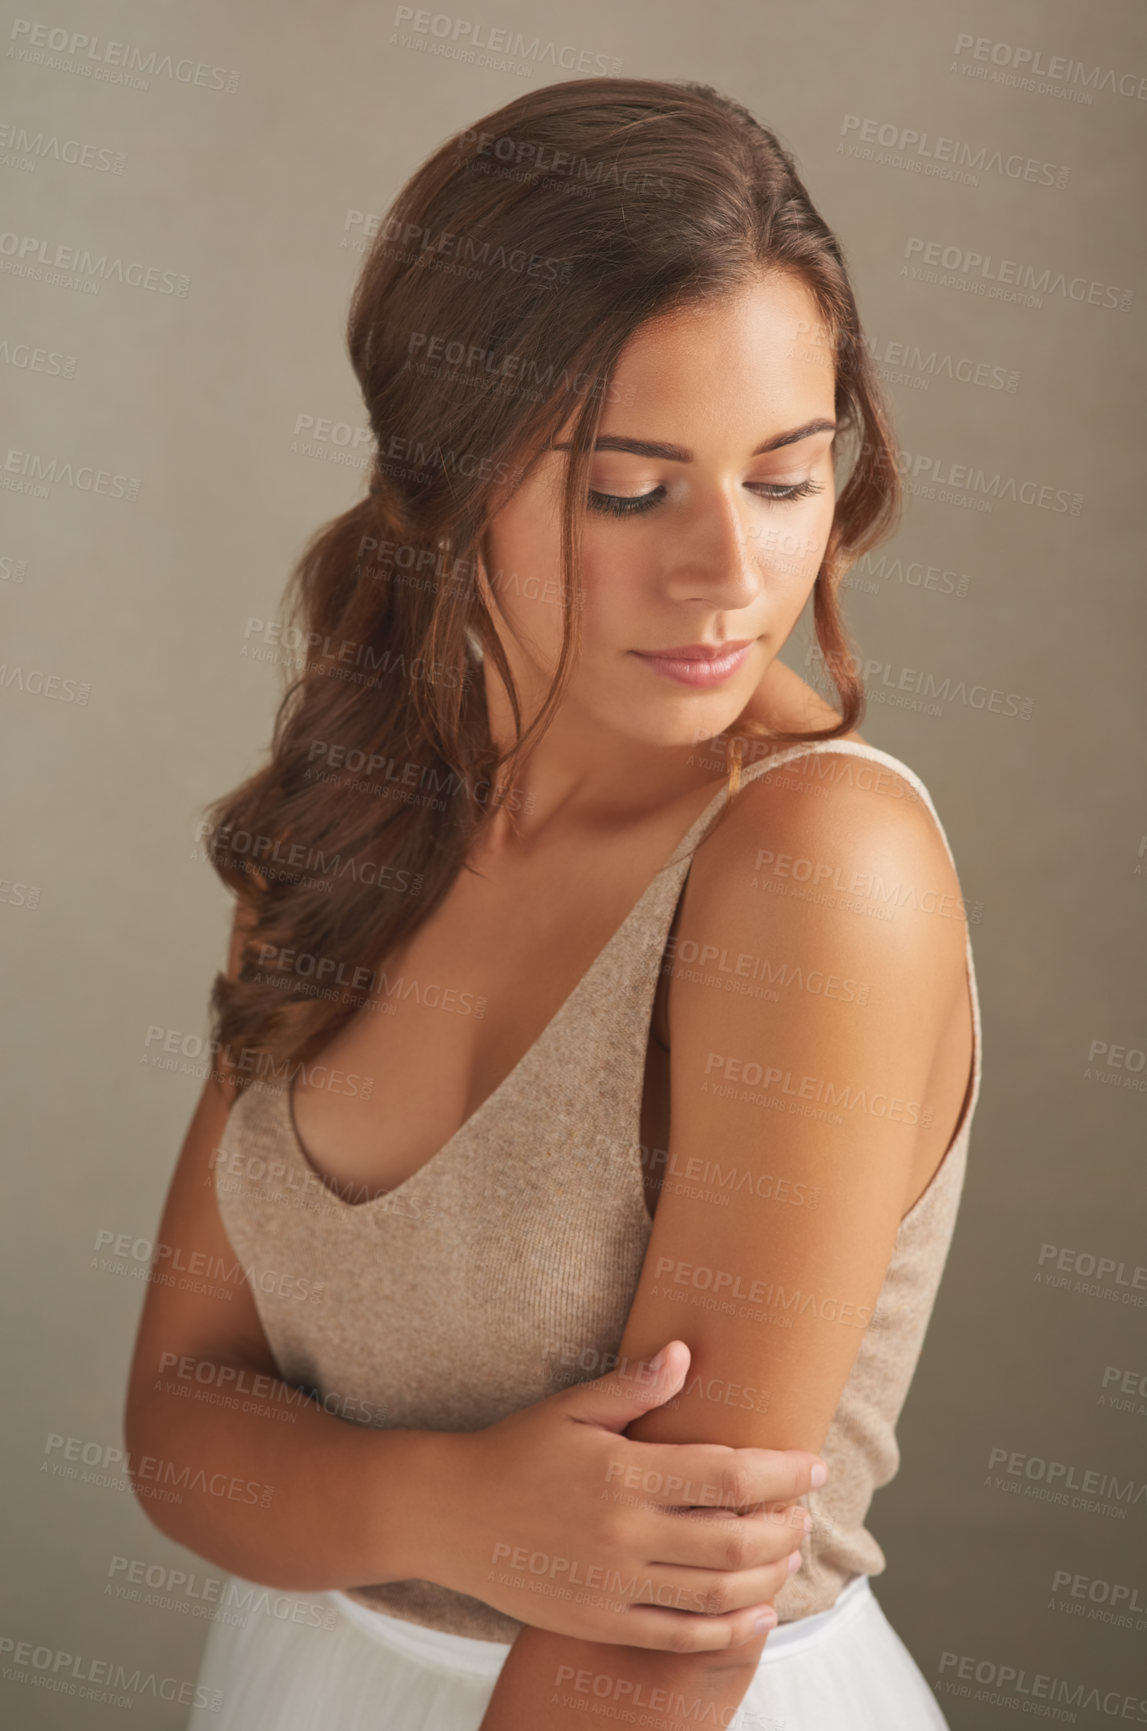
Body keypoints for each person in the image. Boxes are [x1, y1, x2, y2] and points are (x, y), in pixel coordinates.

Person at [124, 76, 981, 1729]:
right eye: (628, 489)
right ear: (441, 475)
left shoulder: (818, 876)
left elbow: (659, 1630)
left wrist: (362, 1496)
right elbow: (176, 1423)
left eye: (785, 478)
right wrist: (449, 1507)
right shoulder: (358, 798)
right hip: (298, 1677)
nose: (729, 574)